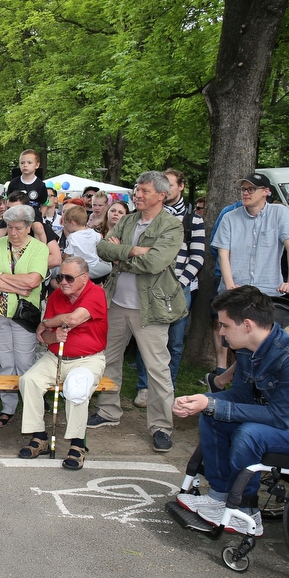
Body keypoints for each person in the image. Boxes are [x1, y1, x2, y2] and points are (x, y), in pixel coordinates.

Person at [173, 286, 289, 537]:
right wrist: (203, 400)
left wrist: (213, 403)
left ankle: (247, 512)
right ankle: (219, 496)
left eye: (225, 325)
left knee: (249, 434)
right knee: (213, 415)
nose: (222, 332)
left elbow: (279, 417)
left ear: (247, 325)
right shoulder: (248, 349)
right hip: (282, 420)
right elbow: (241, 395)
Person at [93, 170, 186, 453]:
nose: (138, 194)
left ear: (161, 194)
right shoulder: (129, 219)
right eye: (137, 189)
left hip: (151, 308)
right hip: (117, 303)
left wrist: (122, 253)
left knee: (157, 368)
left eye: (144, 191)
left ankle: (161, 426)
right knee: (108, 360)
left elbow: (155, 263)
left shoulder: (171, 226)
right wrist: (135, 251)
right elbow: (102, 248)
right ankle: (108, 411)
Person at [18, 257, 107, 469]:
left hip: (88, 359)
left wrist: (47, 323)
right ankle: (39, 437)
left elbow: (74, 319)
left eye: (69, 278)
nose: (63, 282)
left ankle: (78, 445)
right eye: (60, 277)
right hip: (55, 356)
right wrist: (53, 335)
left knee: (76, 387)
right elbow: (44, 337)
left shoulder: (95, 293)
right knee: (28, 380)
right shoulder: (56, 295)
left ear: (84, 278)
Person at [133, 168, 205, 408]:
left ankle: (168, 387)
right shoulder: (147, 217)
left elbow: (197, 257)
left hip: (179, 288)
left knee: (173, 342)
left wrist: (180, 283)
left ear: (179, 187)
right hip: (151, 286)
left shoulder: (192, 219)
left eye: (171, 184)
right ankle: (144, 387)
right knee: (148, 339)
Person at [0, 204, 49, 428]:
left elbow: (33, 281)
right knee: (5, 360)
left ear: (29, 227)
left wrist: (0, 276)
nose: (13, 233)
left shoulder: (39, 248)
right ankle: (8, 407)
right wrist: (16, 287)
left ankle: (30, 407)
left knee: (25, 361)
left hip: (24, 315)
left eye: (18, 228)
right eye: (9, 227)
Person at [213, 172, 289, 298]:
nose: (245, 193)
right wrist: (230, 285)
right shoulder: (229, 217)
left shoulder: (279, 213)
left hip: (269, 291)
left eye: (251, 189)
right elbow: (223, 254)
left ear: (266, 191)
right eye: (243, 189)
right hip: (236, 292)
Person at [61, 205, 112, 282]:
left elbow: (67, 255)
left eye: (65, 224)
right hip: (94, 265)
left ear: (73, 223)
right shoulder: (93, 233)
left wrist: (63, 257)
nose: (65, 226)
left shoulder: (72, 237)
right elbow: (101, 239)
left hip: (79, 267)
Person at [8, 149, 48, 220]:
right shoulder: (13, 183)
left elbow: (44, 204)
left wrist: (40, 217)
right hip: (15, 216)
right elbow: (7, 200)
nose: (25, 165)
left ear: (37, 165)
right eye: (22, 163)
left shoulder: (40, 185)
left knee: (39, 228)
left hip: (33, 217)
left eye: (29, 163)